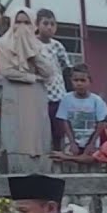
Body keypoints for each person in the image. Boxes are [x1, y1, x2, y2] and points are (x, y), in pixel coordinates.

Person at [0, 8, 55, 160]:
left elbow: (49, 72)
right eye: (18, 22)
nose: (22, 27)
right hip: (14, 93)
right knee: (15, 131)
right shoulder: (3, 44)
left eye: (26, 22)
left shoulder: (39, 46)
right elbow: (7, 71)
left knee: (36, 131)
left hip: (36, 95)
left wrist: (32, 54)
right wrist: (32, 77)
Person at [34, 9, 72, 151]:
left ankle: (58, 153)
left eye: (52, 24)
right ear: (37, 25)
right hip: (40, 94)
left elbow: (66, 68)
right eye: (45, 23)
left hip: (58, 95)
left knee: (58, 129)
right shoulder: (32, 45)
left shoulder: (57, 46)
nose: (49, 27)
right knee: (42, 129)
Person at [56, 64, 107, 157]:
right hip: (71, 141)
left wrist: (91, 144)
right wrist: (72, 142)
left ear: (89, 81)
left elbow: (101, 123)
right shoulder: (66, 99)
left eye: (83, 80)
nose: (79, 83)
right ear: (71, 81)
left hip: (91, 141)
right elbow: (65, 121)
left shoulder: (97, 101)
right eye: (76, 80)